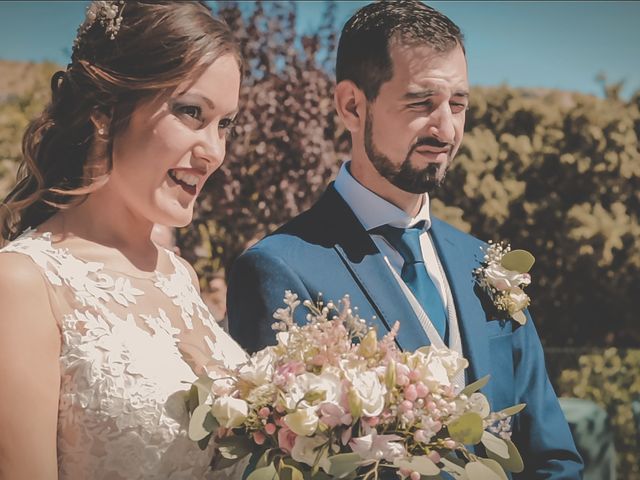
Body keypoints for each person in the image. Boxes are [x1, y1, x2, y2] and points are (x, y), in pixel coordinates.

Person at [227, 1, 583, 478]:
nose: (446, 128)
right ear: (352, 105)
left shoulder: (488, 264)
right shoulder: (279, 268)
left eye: (458, 104)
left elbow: (553, 456)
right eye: (421, 103)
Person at [0, 1, 248, 478]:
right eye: (191, 112)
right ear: (103, 112)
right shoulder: (23, 284)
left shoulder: (180, 277)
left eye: (225, 124)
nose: (214, 151)